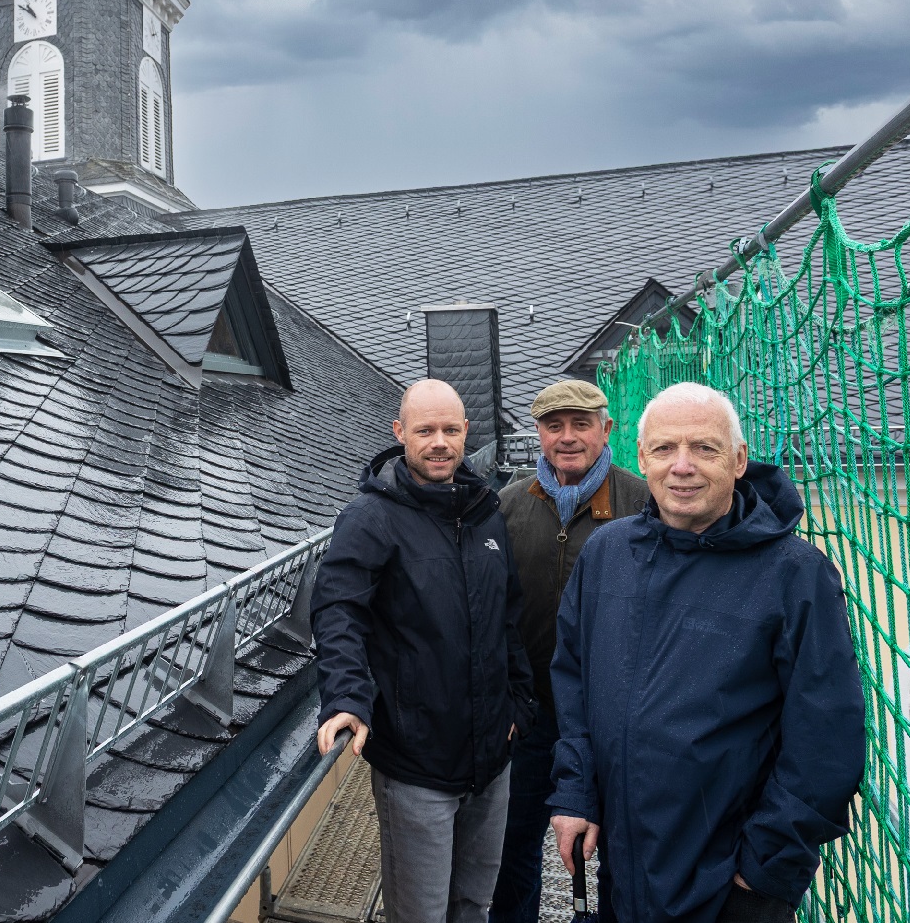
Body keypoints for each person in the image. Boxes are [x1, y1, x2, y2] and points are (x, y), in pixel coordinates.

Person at [548, 382, 865, 923]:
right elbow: (573, 679)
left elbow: (827, 741)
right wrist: (575, 793)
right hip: (622, 867)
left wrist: (763, 875)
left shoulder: (795, 573)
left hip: (729, 885)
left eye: (705, 449)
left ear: (739, 461)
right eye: (665, 449)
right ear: (642, 458)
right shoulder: (607, 553)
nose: (683, 466)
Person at [313, 379, 538, 923]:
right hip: (418, 765)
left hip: (492, 757)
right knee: (421, 915)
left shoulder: (484, 511)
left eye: (451, 430)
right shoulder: (372, 517)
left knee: (473, 905)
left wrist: (519, 704)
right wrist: (347, 697)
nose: (439, 442)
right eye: (425, 430)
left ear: (466, 433)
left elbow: (507, 616)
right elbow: (338, 609)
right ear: (400, 434)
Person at [488, 380, 649, 923]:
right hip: (529, 716)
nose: (568, 437)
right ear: (538, 433)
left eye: (582, 424)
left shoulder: (643, 505)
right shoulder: (506, 507)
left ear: (608, 430)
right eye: (554, 426)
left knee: (622, 852)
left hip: (616, 719)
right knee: (516, 849)